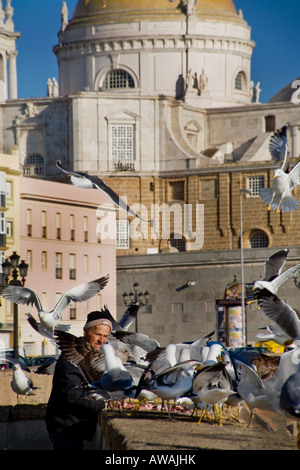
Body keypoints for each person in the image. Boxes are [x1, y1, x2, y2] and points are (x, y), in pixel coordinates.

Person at [45, 311, 113, 450]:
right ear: (85, 332)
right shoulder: (70, 358)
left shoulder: (96, 356)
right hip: (66, 428)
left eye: (105, 336)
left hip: (75, 427)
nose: (102, 340)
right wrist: (106, 404)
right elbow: (72, 396)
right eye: (98, 334)